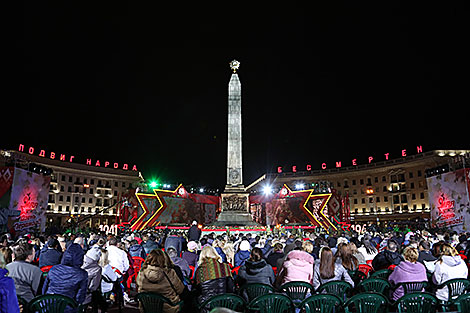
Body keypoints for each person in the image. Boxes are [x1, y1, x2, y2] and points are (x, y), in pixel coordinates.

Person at [43, 243, 88, 313]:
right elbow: (80, 298)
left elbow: (44, 290)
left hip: (48, 306)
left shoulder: (54, 269)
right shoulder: (82, 274)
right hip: (67, 308)